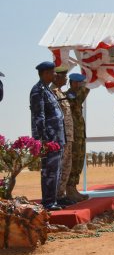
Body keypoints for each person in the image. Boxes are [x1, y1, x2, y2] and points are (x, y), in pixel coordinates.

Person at [30, 61, 65, 210]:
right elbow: (39, 117)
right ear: (45, 73)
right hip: (49, 139)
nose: (55, 74)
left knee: (55, 171)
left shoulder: (47, 90)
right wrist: (43, 140)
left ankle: (53, 200)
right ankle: (48, 202)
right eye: (53, 72)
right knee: (49, 172)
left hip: (57, 138)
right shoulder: (38, 91)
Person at [50, 66, 75, 206]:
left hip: (68, 136)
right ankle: (55, 197)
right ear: (57, 77)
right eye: (64, 76)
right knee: (58, 167)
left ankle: (61, 195)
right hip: (60, 136)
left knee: (66, 166)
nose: (66, 79)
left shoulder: (60, 93)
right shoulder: (52, 93)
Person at [65, 73, 90, 202]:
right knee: (73, 162)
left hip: (79, 134)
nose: (81, 86)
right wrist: (84, 88)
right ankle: (69, 189)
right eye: (79, 83)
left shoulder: (76, 95)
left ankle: (73, 188)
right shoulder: (69, 95)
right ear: (73, 83)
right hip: (73, 135)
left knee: (79, 161)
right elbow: (79, 99)